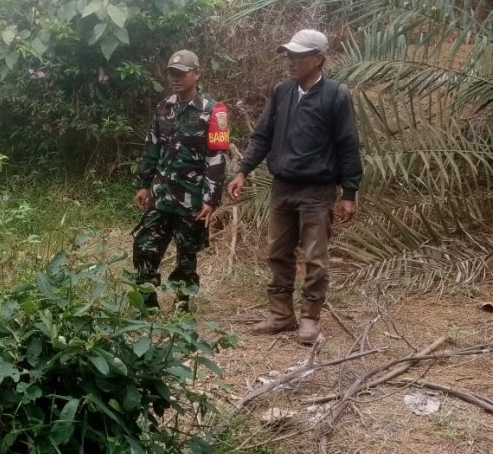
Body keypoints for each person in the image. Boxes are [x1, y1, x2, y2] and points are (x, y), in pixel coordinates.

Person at [226, 29, 363, 344]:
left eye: (298, 56)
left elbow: (348, 144)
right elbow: (263, 135)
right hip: (282, 187)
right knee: (278, 252)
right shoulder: (282, 91)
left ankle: (310, 319)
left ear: (318, 59)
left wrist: (349, 192)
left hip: (317, 190)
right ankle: (281, 314)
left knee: (315, 258)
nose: (290, 61)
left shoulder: (336, 94)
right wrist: (243, 170)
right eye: (289, 55)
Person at [132, 49, 230, 310]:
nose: (175, 79)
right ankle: (147, 304)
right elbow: (152, 146)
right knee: (144, 247)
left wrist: (210, 199)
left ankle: (181, 306)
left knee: (186, 256)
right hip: (161, 195)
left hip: (191, 198)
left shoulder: (213, 111)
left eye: (181, 73)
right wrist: (143, 184)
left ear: (196, 74)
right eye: (171, 74)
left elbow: (217, 157)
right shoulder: (164, 107)